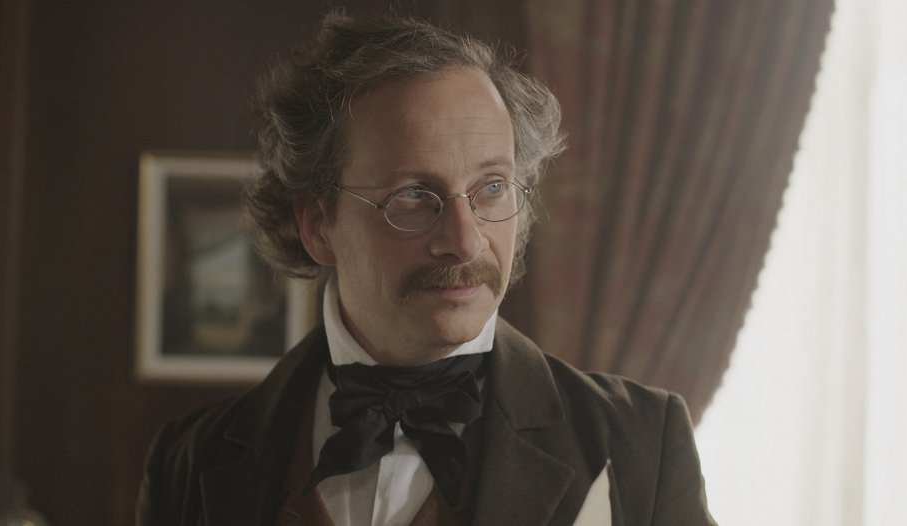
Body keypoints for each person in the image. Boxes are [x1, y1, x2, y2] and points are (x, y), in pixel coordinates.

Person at [136, 11, 716, 526]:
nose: (464, 242)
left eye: (492, 187)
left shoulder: (641, 445)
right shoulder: (190, 462)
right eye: (413, 195)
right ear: (318, 226)